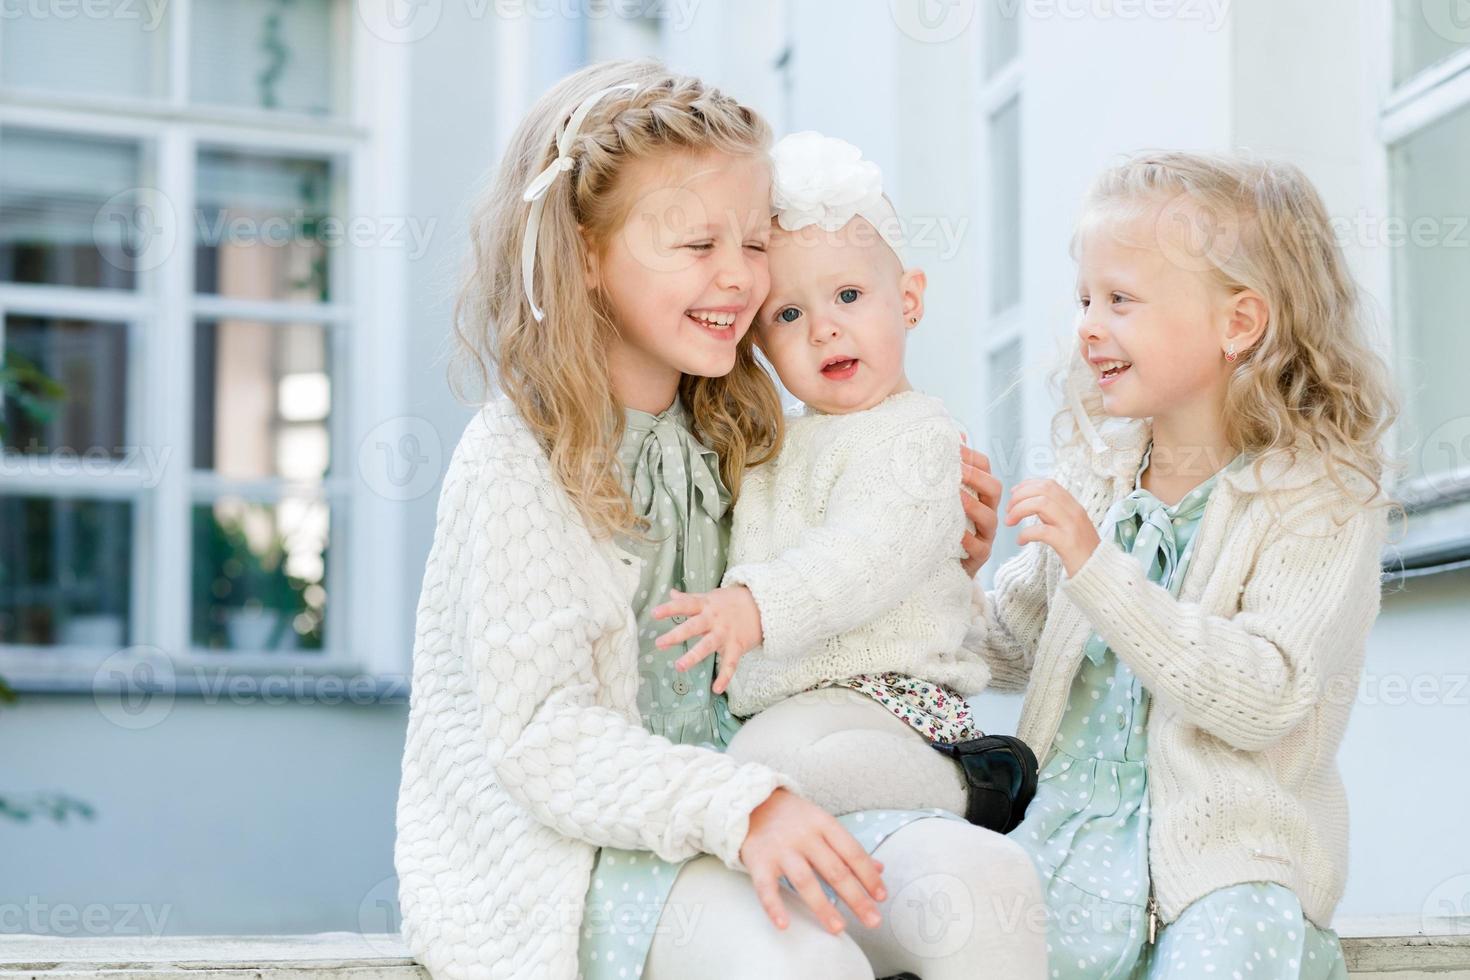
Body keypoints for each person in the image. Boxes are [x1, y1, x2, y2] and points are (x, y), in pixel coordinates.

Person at [393, 58, 1046, 980]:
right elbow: (544, 737)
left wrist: (947, 577)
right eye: (697, 247)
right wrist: (744, 806)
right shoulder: (521, 455)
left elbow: (824, 612)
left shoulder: (741, 430)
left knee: (987, 889)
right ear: (586, 255)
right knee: (804, 962)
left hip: (772, 792)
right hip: (587, 852)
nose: (738, 278)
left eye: (752, 242)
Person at [963, 150, 1402, 978]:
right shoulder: (1097, 471)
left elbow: (1265, 696)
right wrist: (955, 574)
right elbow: (1014, 646)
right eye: (1085, 299)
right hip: (1058, 849)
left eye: (1121, 301)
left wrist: (1100, 571)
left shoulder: (1318, 496)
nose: (1089, 325)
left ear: (1238, 324)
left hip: (1227, 871)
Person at [653, 130, 998, 822]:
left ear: (908, 299)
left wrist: (755, 607)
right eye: (788, 314)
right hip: (796, 704)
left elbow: (862, 555)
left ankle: (974, 782)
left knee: (778, 771)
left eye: (848, 295)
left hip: (890, 699)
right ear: (758, 340)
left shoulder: (918, 437)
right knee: (760, 767)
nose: (824, 330)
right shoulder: (779, 445)